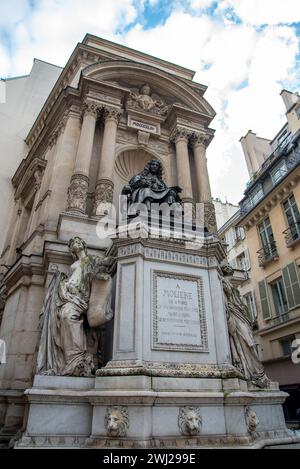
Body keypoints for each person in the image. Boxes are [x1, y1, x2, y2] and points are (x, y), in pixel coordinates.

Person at [37, 237, 114, 377]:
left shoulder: (91, 259)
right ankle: (68, 361)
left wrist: (108, 263)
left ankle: (77, 359)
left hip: (80, 298)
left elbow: (104, 263)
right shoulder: (73, 265)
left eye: (78, 242)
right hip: (66, 294)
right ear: (71, 249)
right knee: (60, 318)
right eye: (73, 243)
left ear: (84, 245)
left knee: (67, 315)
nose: (76, 244)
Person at [222, 265, 270, 388]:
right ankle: (250, 371)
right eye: (229, 276)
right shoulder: (223, 283)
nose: (230, 279)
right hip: (235, 315)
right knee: (246, 342)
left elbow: (238, 301)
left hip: (241, 316)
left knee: (251, 343)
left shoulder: (233, 289)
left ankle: (256, 372)